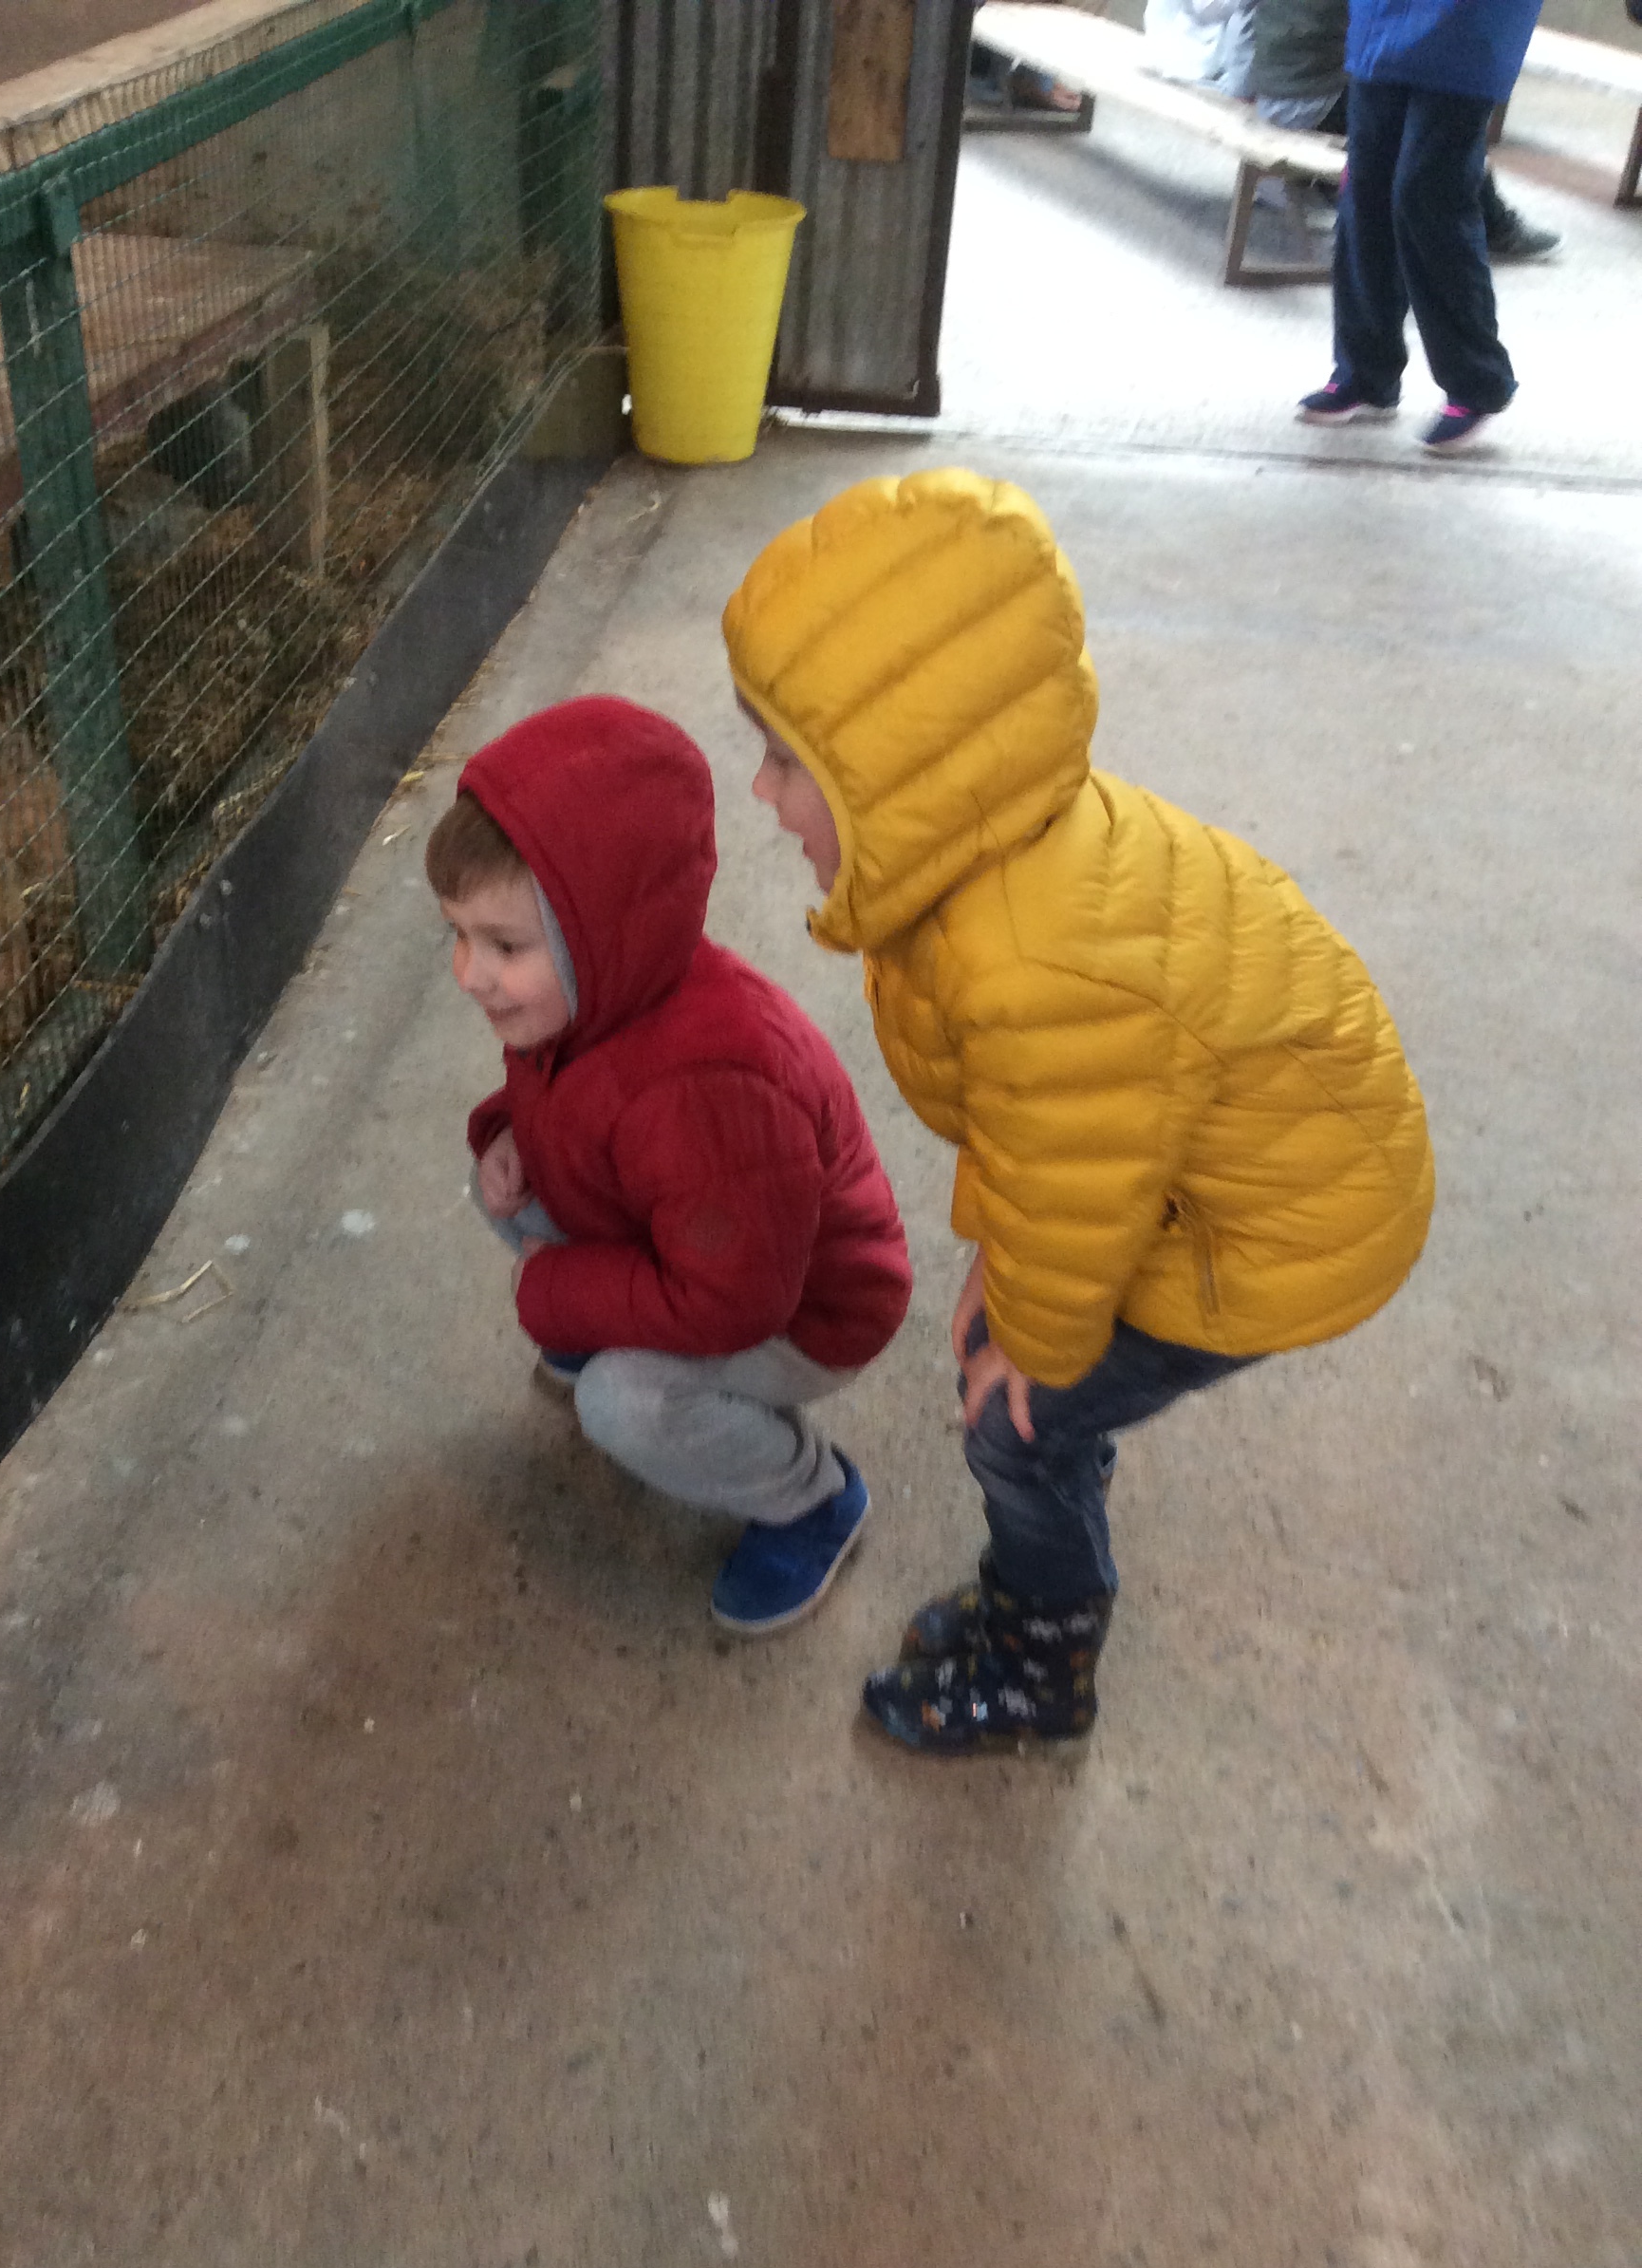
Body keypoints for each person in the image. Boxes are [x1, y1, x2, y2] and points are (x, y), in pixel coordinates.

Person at [723, 470, 1434, 1755]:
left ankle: (1040, 1663)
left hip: (1284, 1222)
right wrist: (1003, 1259)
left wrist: (1039, 1343)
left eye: (786, 761)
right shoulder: (980, 861)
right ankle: (1055, 1495)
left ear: (904, 776)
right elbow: (1046, 1132)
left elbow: (1076, 1166)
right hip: (1208, 1160)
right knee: (1016, 1354)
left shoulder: (1033, 963)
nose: (762, 795)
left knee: (1012, 1424)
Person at [428, 695, 913, 1633]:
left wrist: (557, 1291)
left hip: (801, 1311)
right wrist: (508, 1132)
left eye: (504, 945)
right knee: (504, 1186)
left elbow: (734, 1302)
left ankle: (810, 1497)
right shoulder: (593, 994)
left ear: (601, 934)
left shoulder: (712, 1087)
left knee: (625, 1403)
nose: (468, 974)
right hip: (695, 1243)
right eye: (459, 934)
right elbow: (557, 1096)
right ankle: (601, 1327)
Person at [1297, 0, 1548, 451]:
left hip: (1468, 24)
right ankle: (1365, 372)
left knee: (1428, 195)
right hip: (1382, 22)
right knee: (1366, 193)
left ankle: (1476, 382)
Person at [1249, 0, 1558, 258]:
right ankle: (1498, 227)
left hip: (1276, 93)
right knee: (1443, 122)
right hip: (1314, 95)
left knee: (1424, 117)